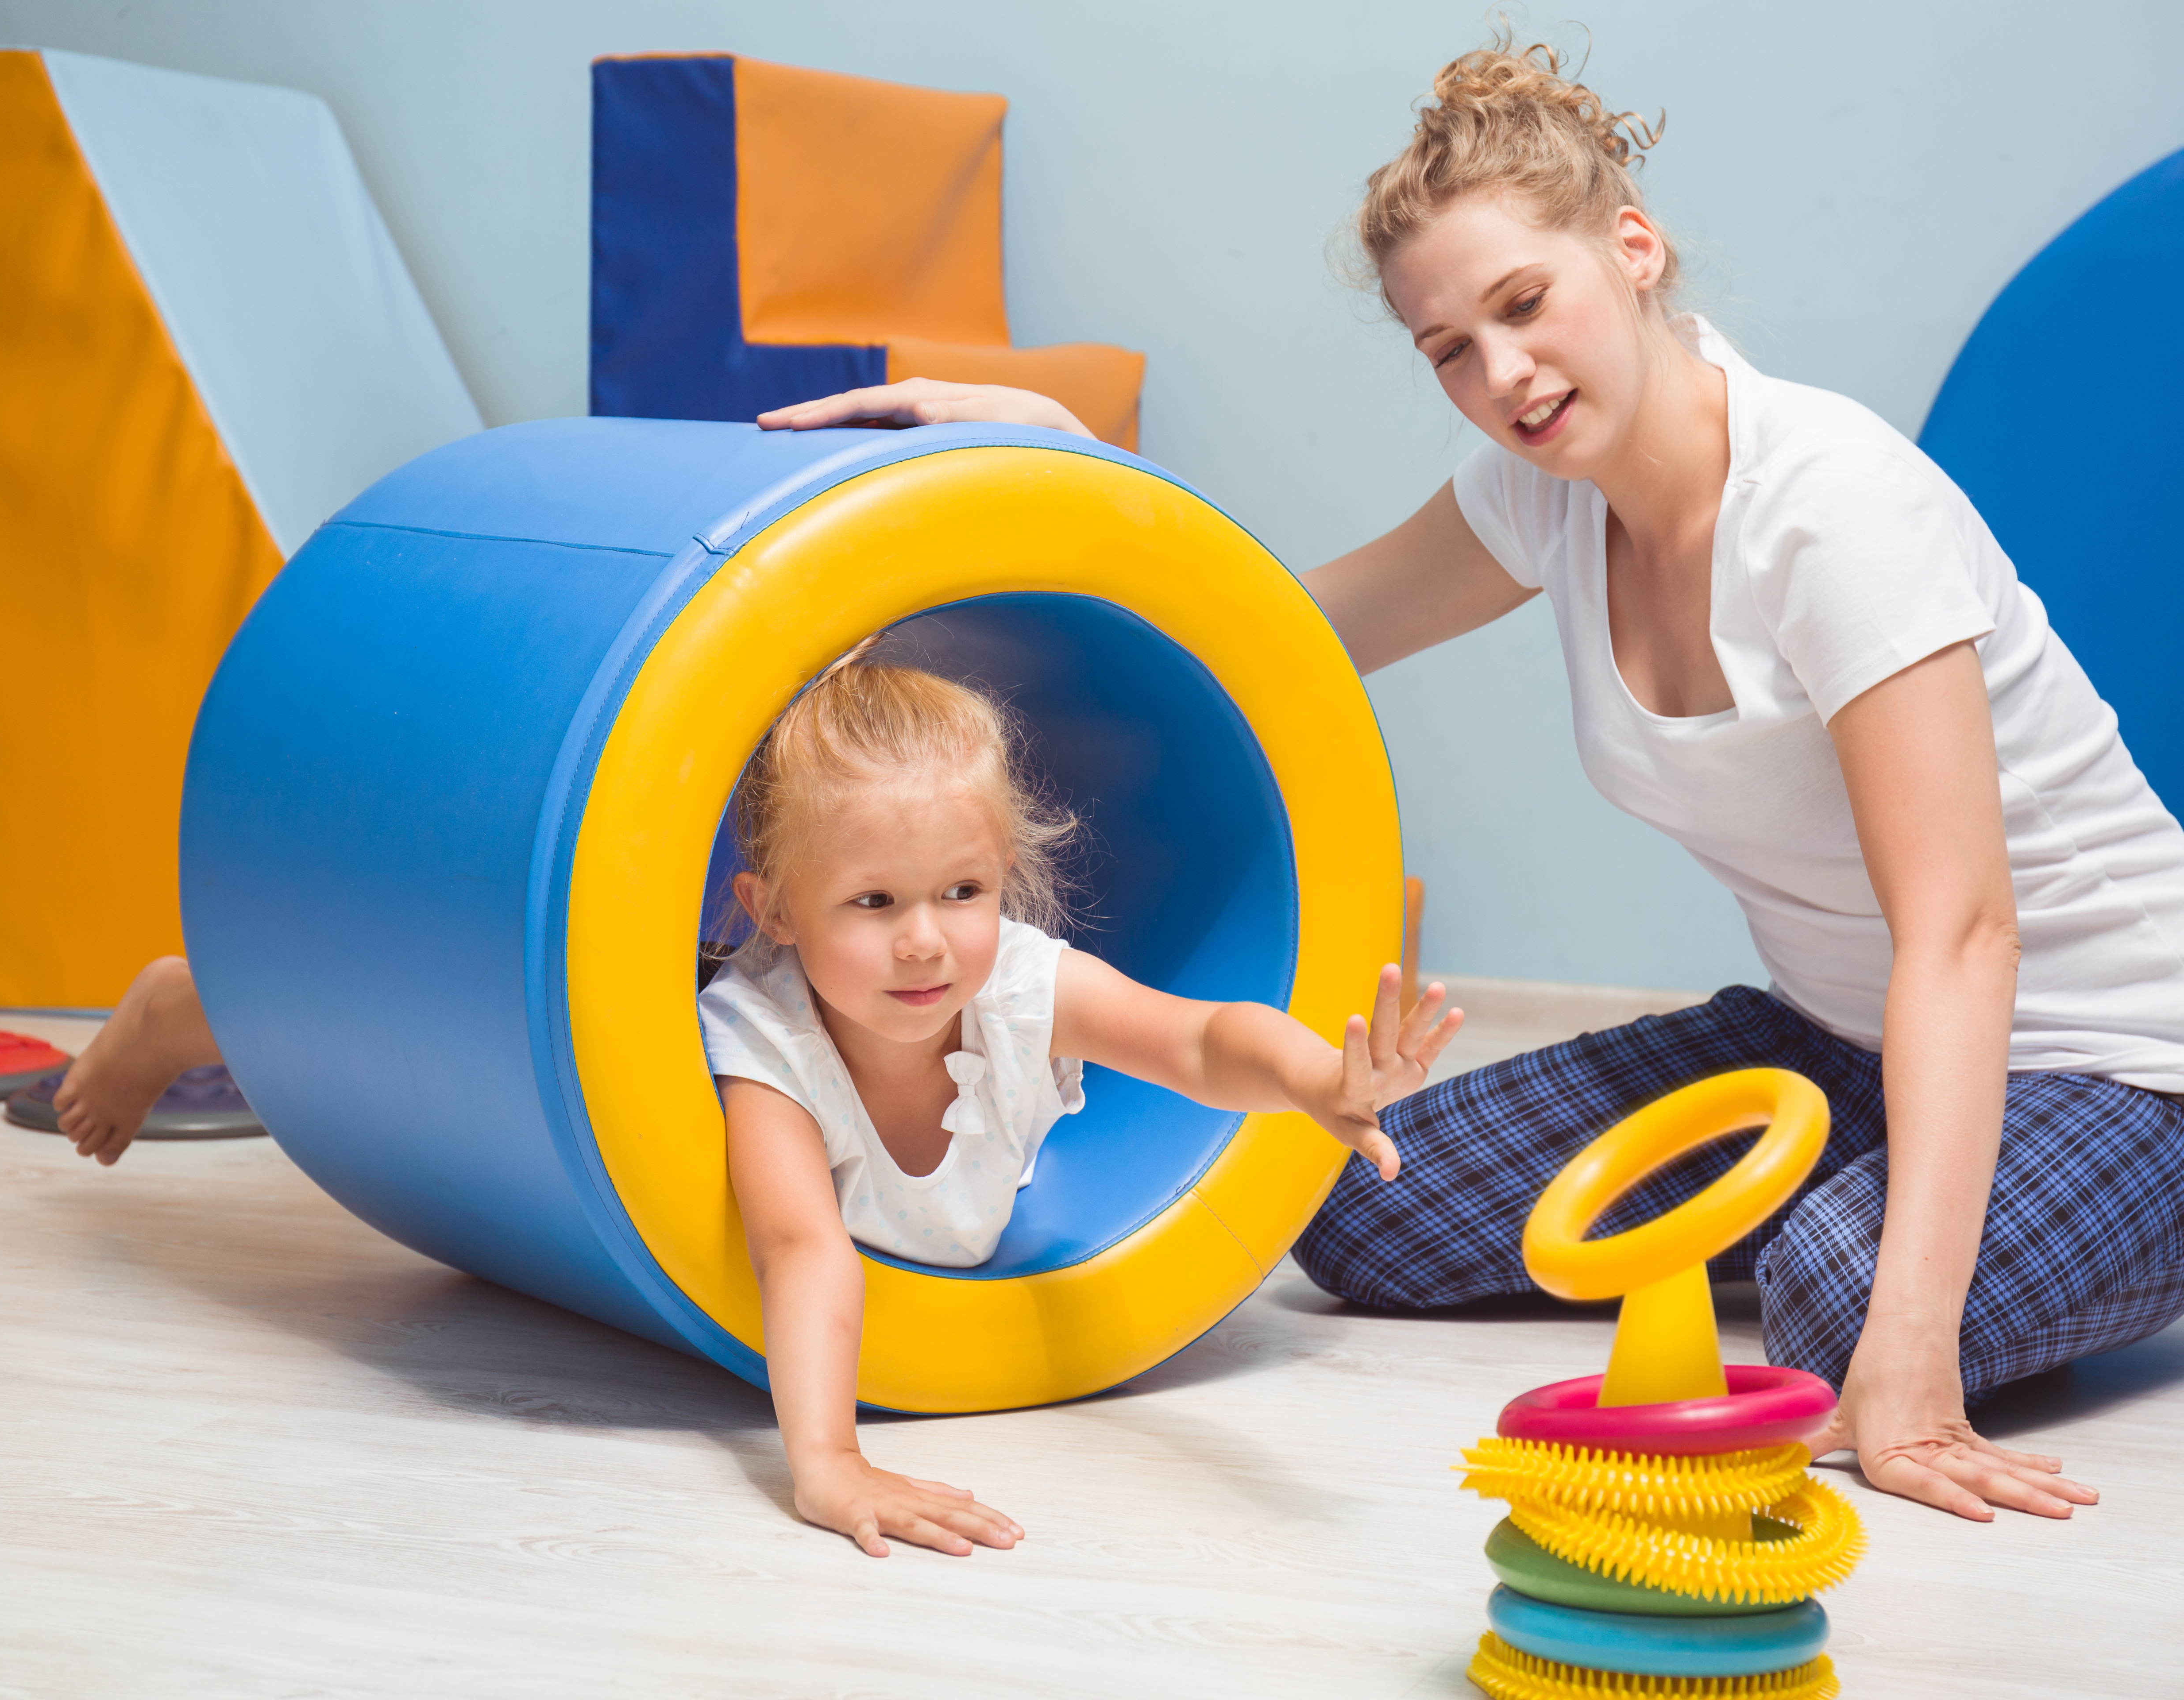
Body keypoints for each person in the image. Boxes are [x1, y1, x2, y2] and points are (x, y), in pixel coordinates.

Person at [758, 39, 2184, 1526]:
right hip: (1848, 1048)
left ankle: (1982, 1231)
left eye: (1524, 305)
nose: (1502, 376)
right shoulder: (1541, 491)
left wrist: (1914, 1348)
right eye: (1449, 347)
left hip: (2119, 1060)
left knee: (1843, 1313)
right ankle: (1888, 1203)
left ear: (1632, 252)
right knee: (1362, 1199)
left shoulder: (1833, 510)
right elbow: (1277, 637)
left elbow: (1963, 937)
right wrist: (1072, 468)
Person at [58, 640, 1463, 1558]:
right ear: (777, 909)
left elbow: (1204, 1040)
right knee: (435, 1003)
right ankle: (196, 1002)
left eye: (961, 893)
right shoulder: (761, 1051)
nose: (927, 941)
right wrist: (828, 1460)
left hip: (755, 969)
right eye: (875, 903)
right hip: (625, 1027)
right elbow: (803, 1246)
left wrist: (1323, 1081)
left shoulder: (1021, 985)